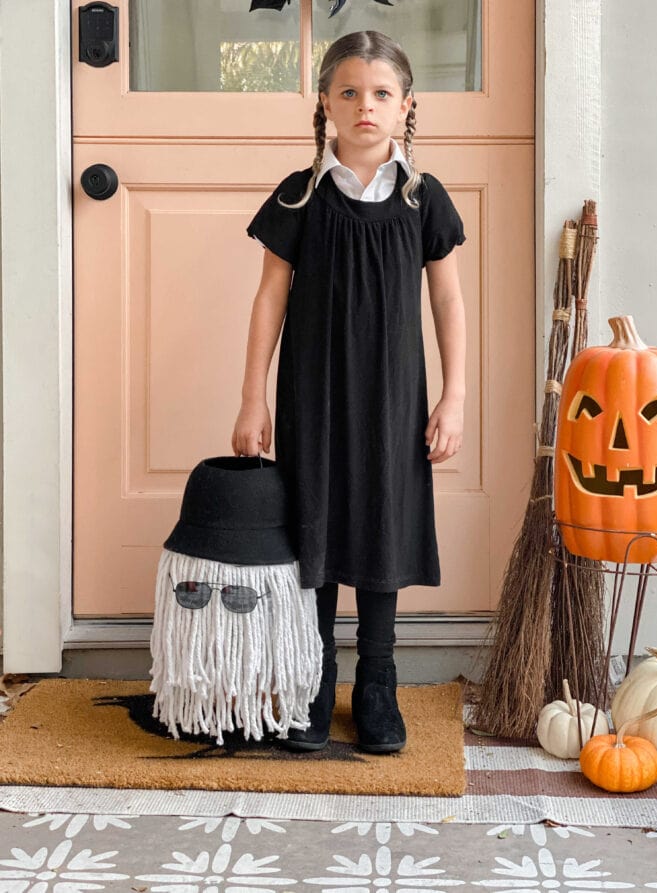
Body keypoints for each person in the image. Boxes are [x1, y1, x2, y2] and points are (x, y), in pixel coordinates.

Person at [232, 30, 466, 754]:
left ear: (406, 108)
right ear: (326, 104)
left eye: (382, 93)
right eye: (350, 92)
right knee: (315, 525)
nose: (366, 106)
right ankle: (311, 678)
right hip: (314, 397)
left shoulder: (422, 199)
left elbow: (448, 303)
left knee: (382, 522)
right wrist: (253, 398)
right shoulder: (299, 196)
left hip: (394, 400)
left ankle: (377, 680)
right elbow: (270, 298)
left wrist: (453, 397)